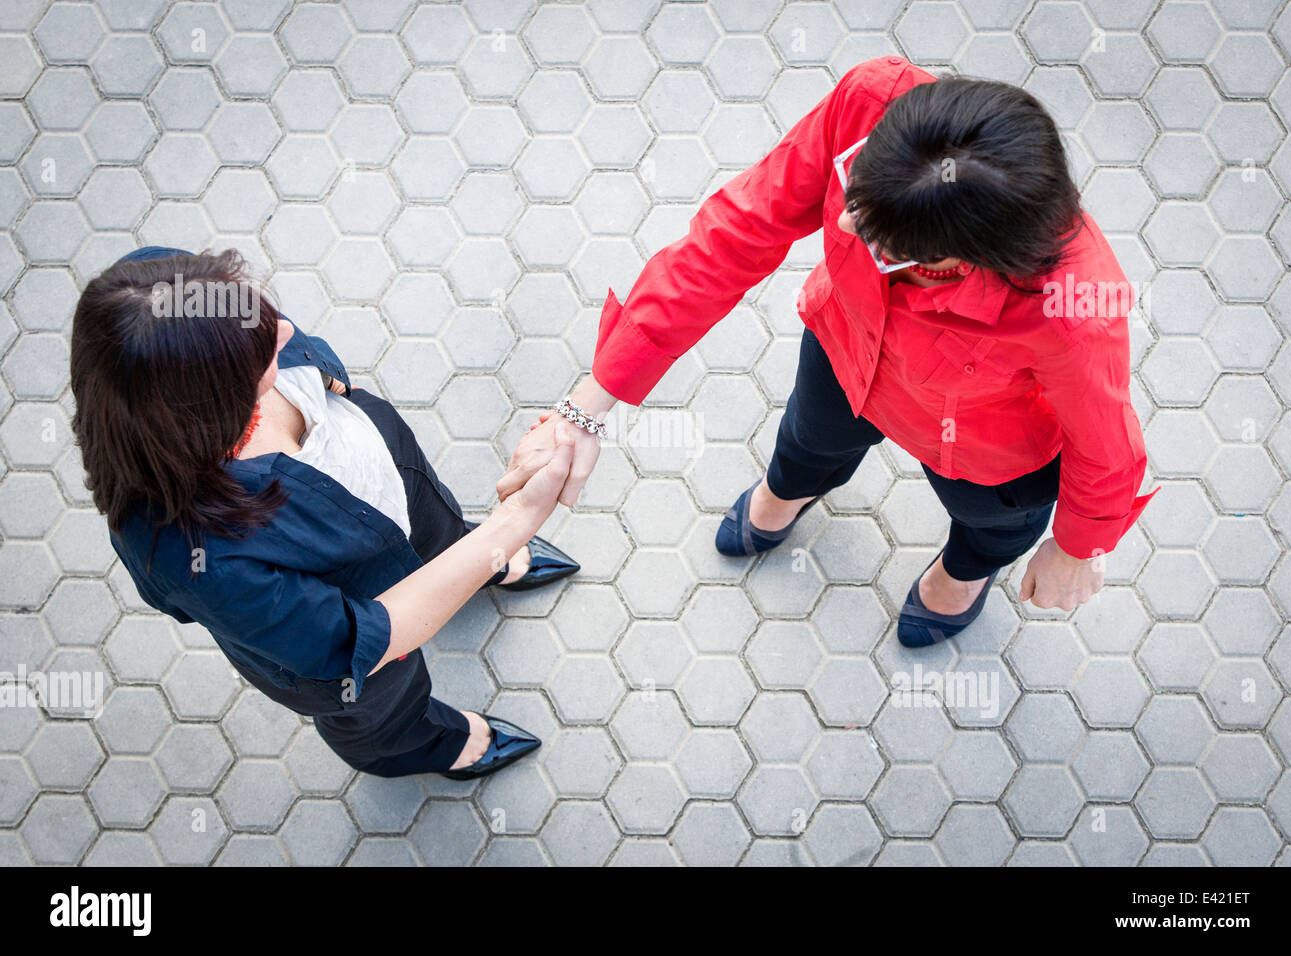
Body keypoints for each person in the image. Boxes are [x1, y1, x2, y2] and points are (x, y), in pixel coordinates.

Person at [499, 56, 1156, 647]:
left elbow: (1106, 445)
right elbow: (732, 237)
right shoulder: (873, 99)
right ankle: (785, 495)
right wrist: (586, 409)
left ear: (962, 257)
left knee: (989, 526)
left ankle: (963, 575)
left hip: (988, 449)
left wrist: (1077, 548)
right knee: (806, 442)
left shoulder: (1074, 304)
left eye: (884, 240)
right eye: (855, 187)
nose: (843, 222)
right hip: (846, 350)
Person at [71, 246, 579, 779]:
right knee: (385, 710)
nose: (285, 334)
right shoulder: (194, 553)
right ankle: (436, 744)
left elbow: (290, 338)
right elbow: (359, 640)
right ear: (210, 403)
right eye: (261, 351)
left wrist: (329, 376)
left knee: (444, 533)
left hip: (394, 487)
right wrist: (513, 522)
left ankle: (479, 563)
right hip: (361, 618)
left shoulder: (159, 300)